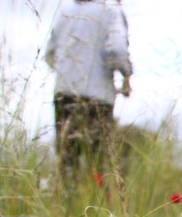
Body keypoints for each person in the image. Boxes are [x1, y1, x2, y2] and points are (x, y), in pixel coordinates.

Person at [45, 0, 132, 188]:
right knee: (98, 166)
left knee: (67, 164)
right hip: (97, 100)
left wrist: (67, 71)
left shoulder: (66, 11)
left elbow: (50, 54)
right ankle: (95, 201)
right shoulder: (111, 11)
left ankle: (68, 202)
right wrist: (126, 75)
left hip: (64, 96)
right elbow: (117, 50)